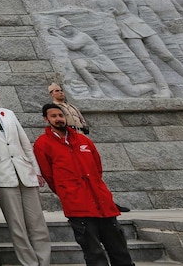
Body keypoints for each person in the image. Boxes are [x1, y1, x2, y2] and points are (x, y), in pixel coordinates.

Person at [33, 103, 134, 266]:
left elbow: (97, 168)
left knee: (119, 249)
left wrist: (97, 188)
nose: (58, 119)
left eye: (60, 115)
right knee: (94, 253)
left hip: (103, 204)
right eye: (54, 116)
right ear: (46, 119)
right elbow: (49, 177)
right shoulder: (42, 144)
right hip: (78, 206)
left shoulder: (82, 139)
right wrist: (68, 192)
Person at [0, 82, 51, 266]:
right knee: (17, 225)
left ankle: (44, 261)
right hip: (2, 174)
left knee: (37, 222)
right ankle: (29, 263)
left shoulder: (8, 113)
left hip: (24, 170)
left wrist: (36, 170)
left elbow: (25, 143)